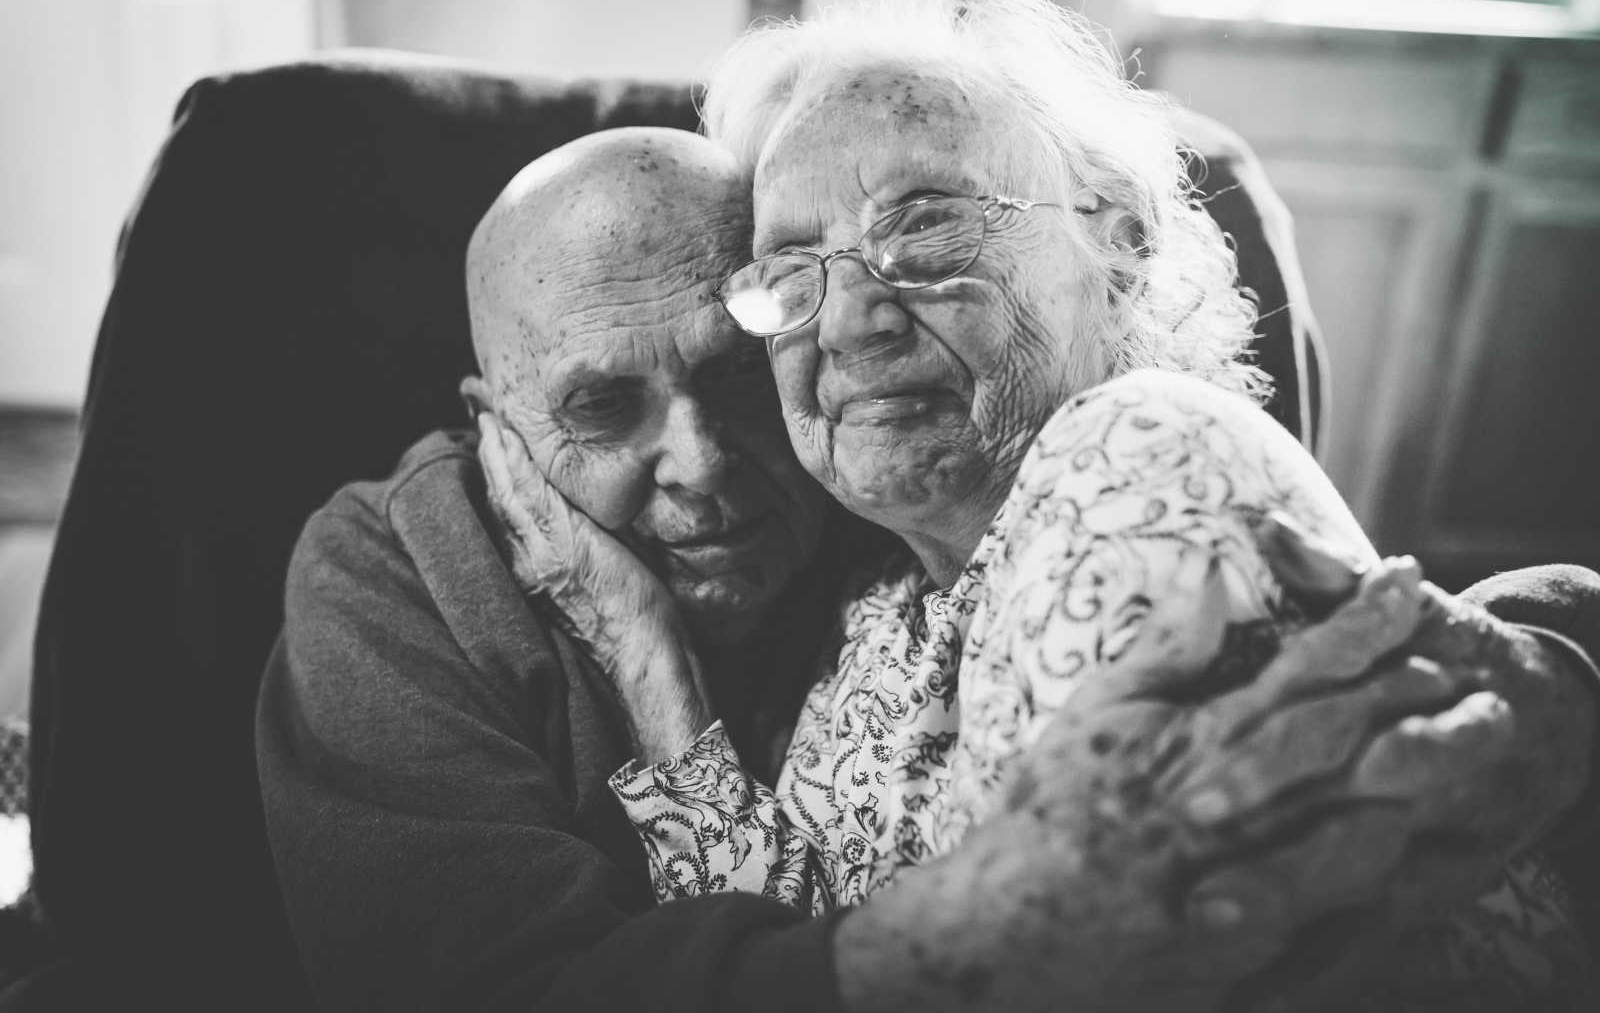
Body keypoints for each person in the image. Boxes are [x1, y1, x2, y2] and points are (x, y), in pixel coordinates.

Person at [258, 124, 1599, 1010]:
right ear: (497, 417)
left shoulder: (883, 464)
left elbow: (1264, 576)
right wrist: (969, 935)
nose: (707, 468)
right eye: (599, 412)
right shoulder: (396, 573)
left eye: (738, 374)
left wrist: (1549, 652)